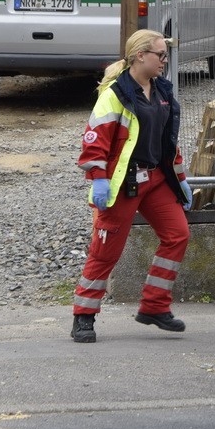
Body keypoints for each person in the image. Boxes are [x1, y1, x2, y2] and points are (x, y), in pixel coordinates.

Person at [70, 30, 193, 343]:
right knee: (105, 252)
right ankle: (83, 316)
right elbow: (95, 141)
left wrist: (180, 180)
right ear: (141, 56)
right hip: (123, 183)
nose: (165, 61)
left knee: (177, 234)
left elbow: (168, 143)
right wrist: (98, 179)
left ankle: (154, 306)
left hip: (155, 181)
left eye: (166, 55)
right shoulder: (115, 94)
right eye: (160, 55)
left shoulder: (162, 91)